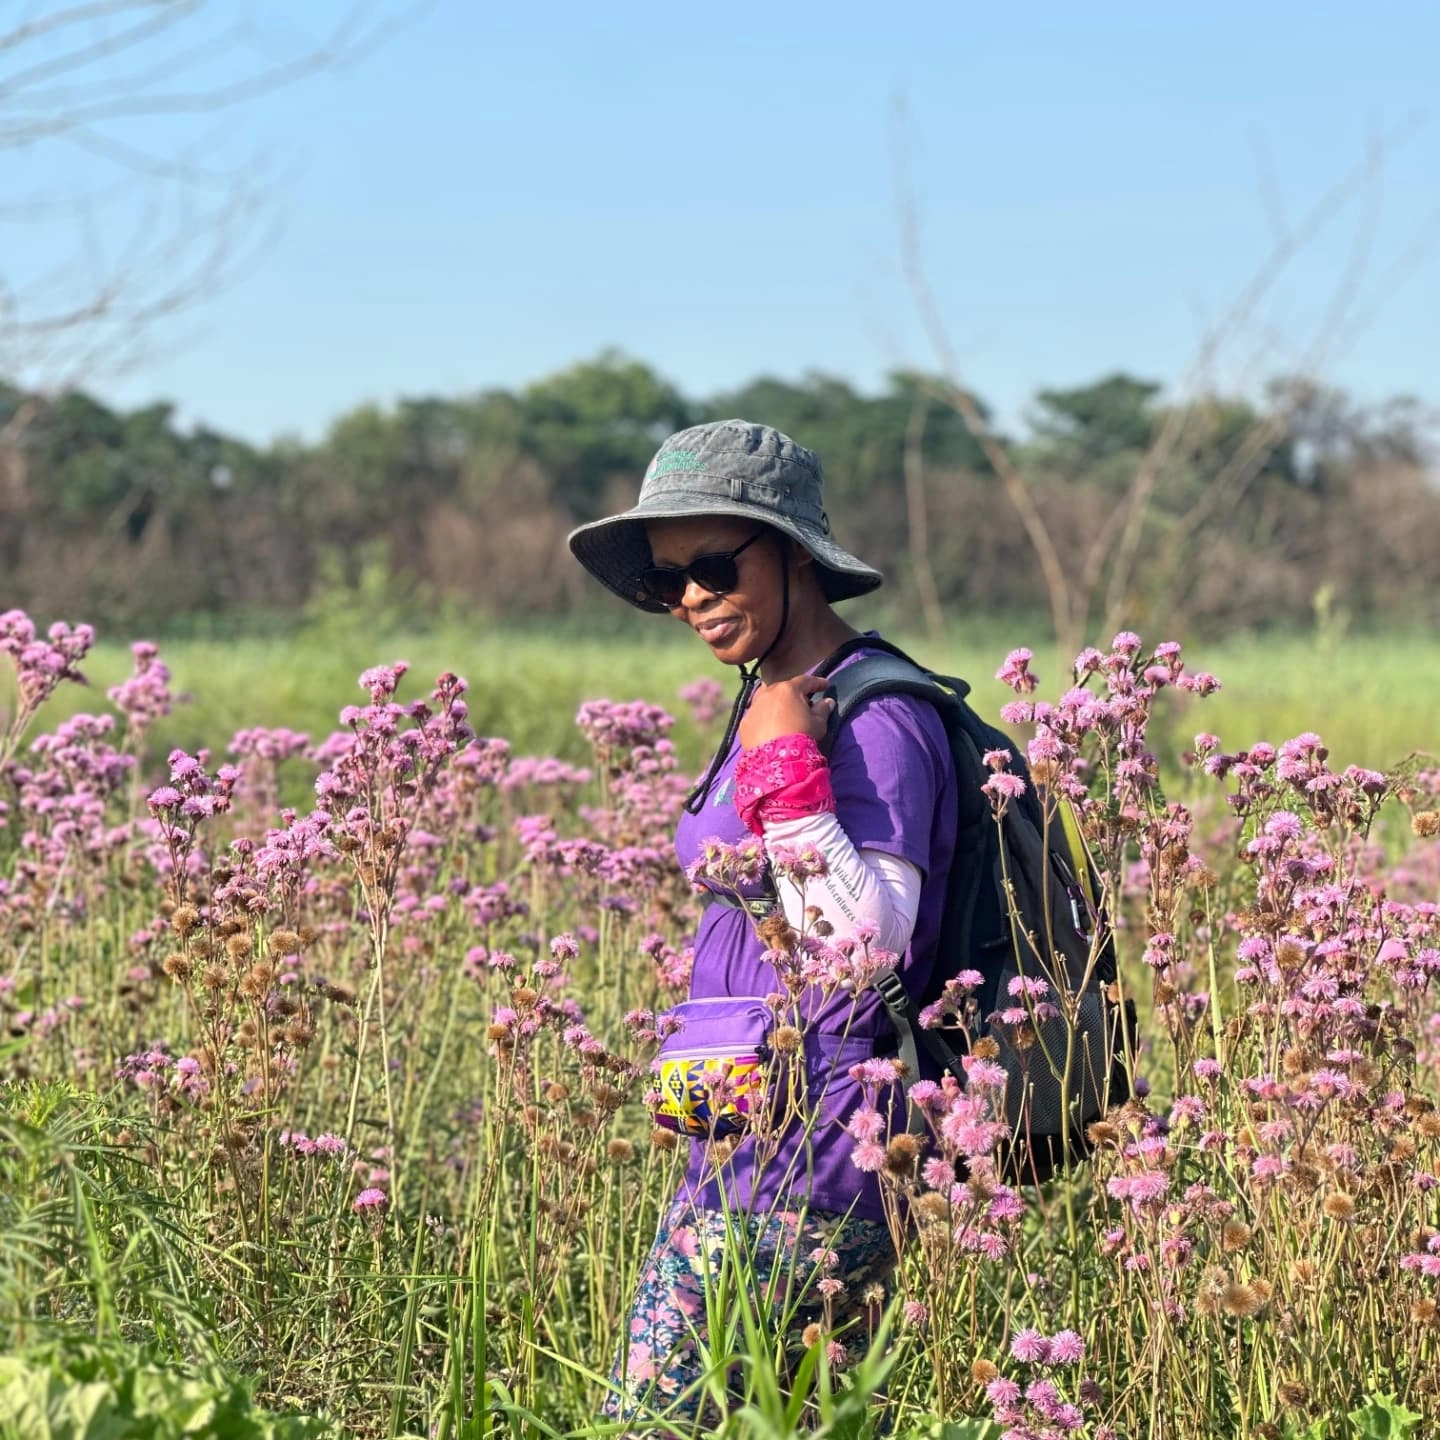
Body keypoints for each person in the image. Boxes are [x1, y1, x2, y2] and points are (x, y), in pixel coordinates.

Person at [568, 419, 958, 1427]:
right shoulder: (777, 703)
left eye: (712, 566)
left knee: (654, 1421)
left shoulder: (878, 719)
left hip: (820, 1152)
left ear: (793, 553)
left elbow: (864, 947)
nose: (691, 599)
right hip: (745, 1138)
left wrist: (784, 768)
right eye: (668, 581)